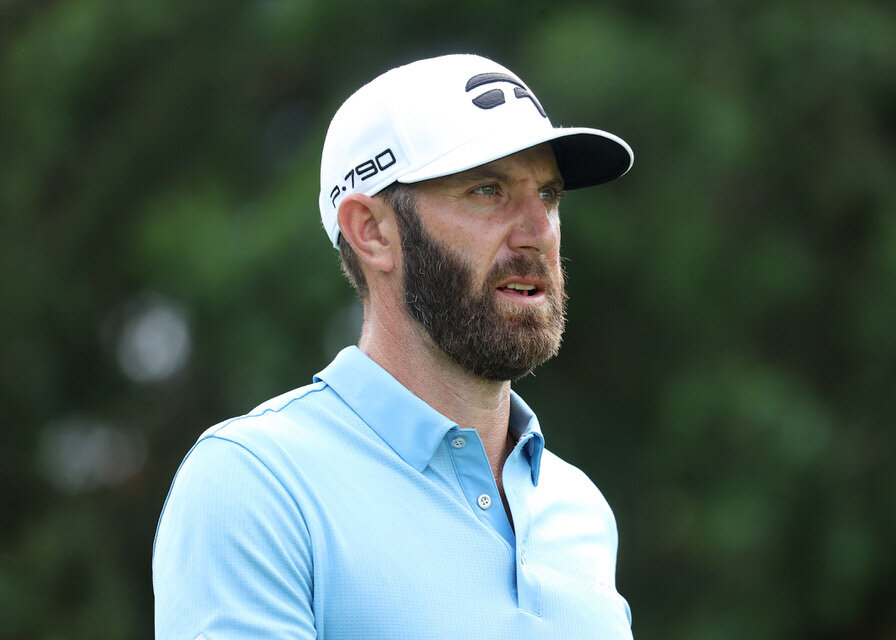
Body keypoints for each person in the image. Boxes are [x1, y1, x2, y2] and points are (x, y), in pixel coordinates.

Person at [153, 53, 634, 639]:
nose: (538, 232)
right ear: (373, 231)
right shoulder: (258, 484)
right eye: (488, 190)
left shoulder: (580, 510)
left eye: (549, 195)